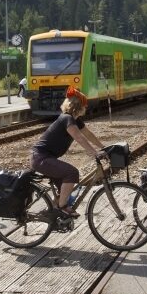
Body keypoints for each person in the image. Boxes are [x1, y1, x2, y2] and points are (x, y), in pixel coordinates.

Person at [30, 86, 106, 218]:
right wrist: (94, 152)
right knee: (71, 172)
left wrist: (103, 147)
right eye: (85, 106)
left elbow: (88, 134)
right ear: (78, 107)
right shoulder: (67, 119)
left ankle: (53, 214)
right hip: (41, 158)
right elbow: (79, 137)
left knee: (67, 193)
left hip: (47, 158)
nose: (86, 108)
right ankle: (62, 207)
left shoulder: (75, 120)